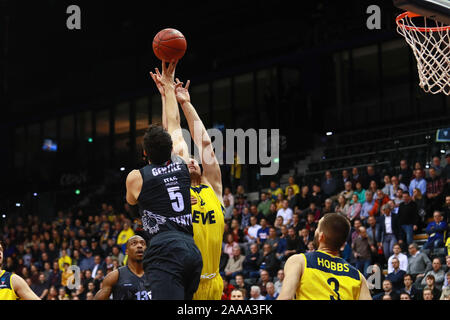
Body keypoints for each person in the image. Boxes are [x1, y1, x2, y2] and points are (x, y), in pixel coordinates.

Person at [126, 60, 202, 300]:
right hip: (191, 249)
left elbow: (130, 201)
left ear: (145, 153)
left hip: (164, 251)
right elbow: (175, 125)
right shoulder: (181, 164)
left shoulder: (137, 177)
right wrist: (169, 89)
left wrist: (166, 89)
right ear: (171, 149)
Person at [172, 76, 227, 300]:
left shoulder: (213, 189)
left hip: (214, 281)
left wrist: (185, 103)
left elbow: (205, 145)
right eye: (188, 161)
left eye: (195, 160)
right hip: (186, 284)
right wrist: (168, 96)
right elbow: (175, 134)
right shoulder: (177, 194)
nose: (193, 161)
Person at [277, 213, 372, 300]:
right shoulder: (358, 276)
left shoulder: (299, 261)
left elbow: (285, 298)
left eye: (317, 228)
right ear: (343, 244)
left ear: (321, 236)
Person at [94, 235, 147, 300]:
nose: (139, 246)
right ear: (126, 251)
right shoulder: (115, 276)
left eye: (142, 243)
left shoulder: (156, 274)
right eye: (134, 243)